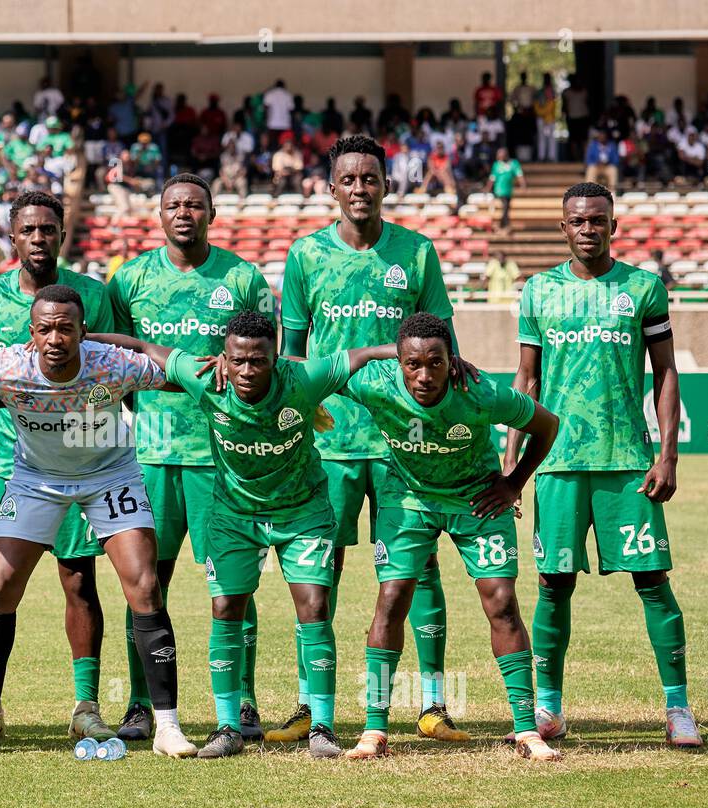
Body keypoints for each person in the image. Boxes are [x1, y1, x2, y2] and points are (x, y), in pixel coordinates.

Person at [94, 315, 397, 757]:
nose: (248, 371)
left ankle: (324, 728)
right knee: (225, 605)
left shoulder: (304, 378)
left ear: (276, 357)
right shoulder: (206, 380)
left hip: (303, 511)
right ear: (224, 358)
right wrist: (84, 337)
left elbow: (365, 353)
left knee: (314, 605)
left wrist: (440, 357)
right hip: (234, 514)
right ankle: (227, 727)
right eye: (238, 360)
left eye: (259, 360)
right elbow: (142, 347)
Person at [276, 135, 479, 745]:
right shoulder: (305, 255)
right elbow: (291, 353)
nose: (360, 188)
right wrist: (292, 420)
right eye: (349, 178)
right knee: (319, 570)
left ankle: (433, 704)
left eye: (371, 177)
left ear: (386, 184)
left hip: (404, 444)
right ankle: (315, 708)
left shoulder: (416, 253)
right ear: (331, 187)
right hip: (329, 444)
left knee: (417, 570)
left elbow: (446, 347)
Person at [0, 284, 198, 758]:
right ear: (31, 334)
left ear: (83, 331)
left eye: (66, 328)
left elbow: (174, 369)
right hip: (35, 480)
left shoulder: (111, 363)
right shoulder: (4, 366)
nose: (56, 338)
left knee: (144, 586)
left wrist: (201, 367)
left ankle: (167, 727)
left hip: (109, 475)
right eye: (45, 329)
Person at [504, 181, 701, 749]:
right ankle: (549, 709)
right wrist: (512, 464)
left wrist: (668, 454)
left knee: (653, 582)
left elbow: (665, 372)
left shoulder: (643, 288)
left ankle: (678, 707)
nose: (588, 228)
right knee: (552, 584)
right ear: (563, 228)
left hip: (628, 463)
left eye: (598, 220)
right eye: (577, 221)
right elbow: (526, 381)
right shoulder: (539, 291)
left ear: (613, 224)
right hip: (559, 463)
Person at [336, 313, 563, 762]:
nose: (424, 375)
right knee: (392, 598)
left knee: (501, 602)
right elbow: (307, 372)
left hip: (476, 501)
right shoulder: (375, 382)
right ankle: (374, 729)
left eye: (435, 363)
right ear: (398, 363)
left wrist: (513, 482)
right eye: (412, 364)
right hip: (408, 501)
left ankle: (525, 730)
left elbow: (547, 425)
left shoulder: (478, 391)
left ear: (451, 360)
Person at [106, 173, 273, 741]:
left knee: (232, 586)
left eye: (195, 205)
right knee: (145, 583)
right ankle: (138, 703)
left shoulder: (242, 278)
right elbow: (114, 354)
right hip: (150, 458)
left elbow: (267, 356)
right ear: (159, 215)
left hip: (225, 459)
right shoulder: (129, 278)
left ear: (212, 214)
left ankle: (244, 702)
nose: (184, 213)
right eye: (173, 205)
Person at [0, 191, 114, 742]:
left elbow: (113, 372)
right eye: (29, 230)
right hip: (8, 464)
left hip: (83, 459)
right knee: (2, 584)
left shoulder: (91, 294)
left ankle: (85, 704)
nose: (39, 239)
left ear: (62, 234)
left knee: (79, 580)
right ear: (13, 237)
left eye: (49, 229)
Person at [487, 147, 526, 233]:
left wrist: (523, 185)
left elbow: (519, 174)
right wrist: (487, 188)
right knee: (505, 206)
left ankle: (504, 225)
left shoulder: (513, 164)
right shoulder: (496, 165)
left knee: (506, 207)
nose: (499, 156)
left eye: (500, 154)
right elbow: (492, 178)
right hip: (499, 190)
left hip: (508, 190)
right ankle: (504, 225)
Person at [535, 74, 558, 162]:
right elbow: (536, 105)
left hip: (550, 119)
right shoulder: (540, 92)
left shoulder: (552, 91)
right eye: (546, 79)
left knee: (551, 138)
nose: (547, 80)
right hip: (541, 118)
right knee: (542, 138)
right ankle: (541, 157)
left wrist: (546, 116)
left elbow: (552, 105)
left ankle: (552, 157)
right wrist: (542, 114)